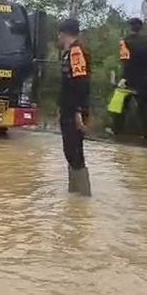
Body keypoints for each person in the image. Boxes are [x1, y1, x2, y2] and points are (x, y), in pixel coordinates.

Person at [57, 19, 92, 196]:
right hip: (68, 109)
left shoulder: (76, 52)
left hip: (74, 111)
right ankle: (74, 195)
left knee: (74, 151)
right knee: (70, 150)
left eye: (59, 34)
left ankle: (84, 196)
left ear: (64, 33)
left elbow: (81, 82)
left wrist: (79, 110)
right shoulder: (68, 52)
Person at [114, 17, 147, 138]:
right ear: (141, 28)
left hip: (128, 79)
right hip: (144, 79)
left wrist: (124, 78)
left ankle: (117, 131)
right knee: (145, 108)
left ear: (129, 27)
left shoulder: (125, 42)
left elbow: (126, 60)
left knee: (118, 105)